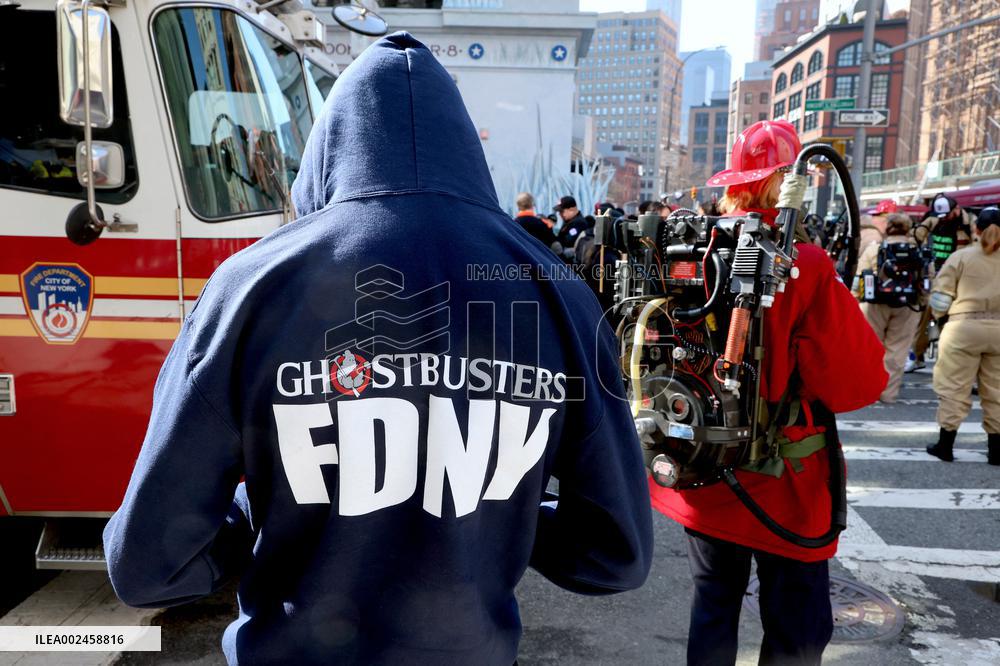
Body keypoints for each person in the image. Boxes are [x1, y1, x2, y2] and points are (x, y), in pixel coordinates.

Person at [103, 33, 653, 665]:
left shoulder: (249, 290)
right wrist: (495, 508)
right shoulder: (556, 294)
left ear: (329, 149)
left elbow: (148, 566)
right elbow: (616, 553)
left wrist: (270, 509)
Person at [652, 120, 887, 665]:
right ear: (787, 181)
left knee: (713, 608)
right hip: (782, 483)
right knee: (797, 628)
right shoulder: (802, 263)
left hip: (700, 465)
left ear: (733, 183)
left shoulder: (686, 250)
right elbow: (855, 382)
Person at [926, 206, 1000, 465]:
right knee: (997, 390)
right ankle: (996, 450)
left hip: (963, 327)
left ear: (976, 229)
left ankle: (945, 445)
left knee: (954, 387)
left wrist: (939, 318)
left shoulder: (961, 257)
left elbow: (940, 298)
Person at [856, 213, 925, 403]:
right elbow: (927, 278)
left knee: (871, 348)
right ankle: (888, 393)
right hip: (907, 305)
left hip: (874, 304)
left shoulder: (875, 249)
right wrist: (922, 302)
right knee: (897, 351)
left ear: (887, 228)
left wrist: (856, 300)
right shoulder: (917, 251)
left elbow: (860, 276)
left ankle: (868, 391)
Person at [908, 194, 975, 372]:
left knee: (951, 321)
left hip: (959, 278)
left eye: (947, 215)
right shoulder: (932, 219)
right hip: (935, 275)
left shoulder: (969, 223)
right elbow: (914, 237)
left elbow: (977, 247)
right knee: (924, 319)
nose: (943, 218)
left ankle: (948, 360)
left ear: (956, 209)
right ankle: (917, 356)